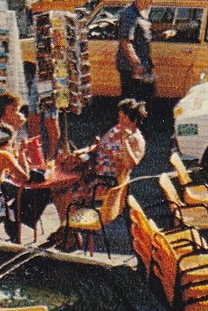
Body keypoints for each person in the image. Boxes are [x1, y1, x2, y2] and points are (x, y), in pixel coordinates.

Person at [51, 99, 148, 234]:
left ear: (132, 119)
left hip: (105, 183)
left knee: (64, 193)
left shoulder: (136, 140)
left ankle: (68, 232)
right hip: (92, 175)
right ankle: (69, 230)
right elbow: (98, 147)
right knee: (58, 188)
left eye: (122, 117)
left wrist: (124, 141)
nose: (119, 121)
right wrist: (82, 152)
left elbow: (130, 163)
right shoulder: (115, 130)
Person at [0, 92, 48, 241]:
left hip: (7, 176)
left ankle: (19, 219)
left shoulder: (9, 129)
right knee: (35, 189)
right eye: (14, 110)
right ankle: (17, 221)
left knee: (39, 183)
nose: (18, 113)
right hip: (2, 184)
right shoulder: (2, 133)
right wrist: (22, 153)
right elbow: (23, 174)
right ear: (5, 111)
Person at [116, 0, 155, 104]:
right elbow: (126, 42)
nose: (152, 1)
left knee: (143, 100)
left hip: (141, 65)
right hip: (131, 68)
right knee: (131, 103)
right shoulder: (130, 14)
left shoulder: (140, 13)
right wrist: (136, 64)